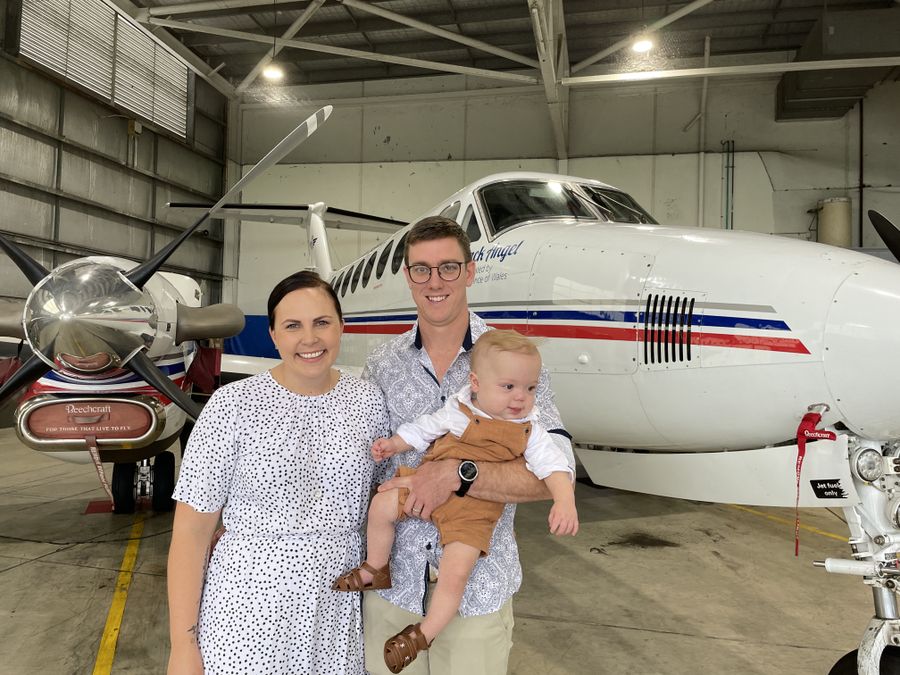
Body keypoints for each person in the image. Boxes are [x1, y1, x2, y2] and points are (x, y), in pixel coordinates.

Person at [362, 216, 576, 675]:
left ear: (471, 271)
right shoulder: (382, 363)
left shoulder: (514, 361)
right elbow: (360, 463)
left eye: (448, 267)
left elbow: (556, 471)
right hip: (393, 592)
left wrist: (460, 475)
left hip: (477, 595)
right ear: (407, 276)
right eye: (421, 268)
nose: (434, 281)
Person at [166, 271, 388, 675]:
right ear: (272, 334)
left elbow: (385, 492)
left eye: (322, 322)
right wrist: (182, 645)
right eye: (292, 325)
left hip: (337, 608)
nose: (309, 339)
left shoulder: (368, 401)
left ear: (342, 326)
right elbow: (191, 533)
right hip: (247, 609)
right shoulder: (232, 405)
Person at [334, 329, 578, 673]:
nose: (521, 397)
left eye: (530, 388)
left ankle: (421, 634)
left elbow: (555, 468)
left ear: (470, 272)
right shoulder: (456, 406)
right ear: (476, 382)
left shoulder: (529, 429)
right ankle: (377, 567)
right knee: (383, 503)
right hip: (413, 527)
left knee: (455, 575)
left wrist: (564, 501)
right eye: (508, 387)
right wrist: (395, 444)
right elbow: (425, 428)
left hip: (472, 517)